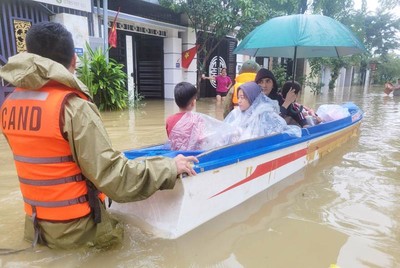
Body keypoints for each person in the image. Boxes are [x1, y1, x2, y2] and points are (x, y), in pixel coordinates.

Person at [0, 22, 198, 249]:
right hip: (78, 231)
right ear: (74, 60)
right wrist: (170, 167)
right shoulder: (72, 108)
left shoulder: (10, 104)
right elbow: (114, 178)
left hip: (35, 227)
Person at [224, 82, 302, 140]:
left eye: (242, 97)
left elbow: (276, 130)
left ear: (252, 98)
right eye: (238, 97)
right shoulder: (237, 113)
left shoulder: (264, 114)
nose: (239, 101)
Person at [166, 82, 203, 150]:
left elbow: (171, 138)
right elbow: (201, 139)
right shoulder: (197, 119)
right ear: (193, 103)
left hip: (176, 154)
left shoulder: (169, 119)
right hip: (193, 155)